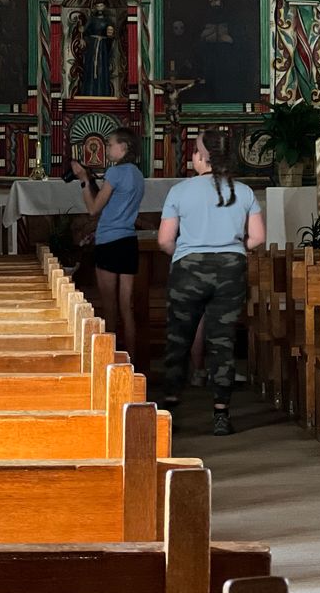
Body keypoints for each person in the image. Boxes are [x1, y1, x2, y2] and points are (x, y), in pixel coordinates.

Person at [158, 129, 265, 436]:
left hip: (188, 269)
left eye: (195, 151)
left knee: (178, 339)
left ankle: (169, 408)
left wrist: (183, 252)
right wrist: (233, 248)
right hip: (230, 270)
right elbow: (258, 237)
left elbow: (165, 239)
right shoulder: (243, 191)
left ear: (203, 157)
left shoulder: (180, 191)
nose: (192, 156)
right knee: (222, 341)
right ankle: (221, 413)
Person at [75, 127, 145, 357]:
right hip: (128, 241)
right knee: (126, 307)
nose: (106, 148)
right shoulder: (137, 174)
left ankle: (110, 362)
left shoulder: (115, 173)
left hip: (109, 241)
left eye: (110, 144)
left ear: (123, 147)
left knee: (109, 308)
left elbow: (93, 209)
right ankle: (132, 360)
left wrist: (84, 180)